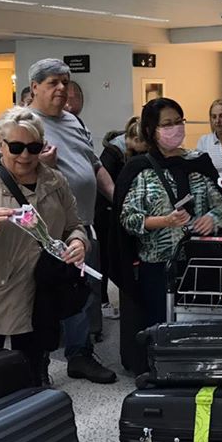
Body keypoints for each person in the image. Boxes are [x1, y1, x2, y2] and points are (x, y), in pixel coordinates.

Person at [0, 58, 116, 384]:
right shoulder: (17, 123)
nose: (61, 88)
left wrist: (116, 196)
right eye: (53, 82)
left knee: (80, 292)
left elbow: (93, 165)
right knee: (39, 301)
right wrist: (39, 164)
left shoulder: (74, 121)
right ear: (34, 87)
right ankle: (37, 362)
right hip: (37, 233)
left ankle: (79, 354)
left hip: (77, 226)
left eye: (65, 82)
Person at [0, 107, 87, 386]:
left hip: (41, 288)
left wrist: (77, 242)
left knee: (34, 360)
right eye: (16, 147)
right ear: (0, 145)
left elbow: (75, 224)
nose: (25, 155)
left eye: (33, 148)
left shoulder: (55, 181)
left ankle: (34, 394)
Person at [114, 98, 222, 372]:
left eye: (179, 122)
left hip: (200, 265)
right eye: (167, 124)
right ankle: (162, 372)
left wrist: (212, 219)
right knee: (161, 324)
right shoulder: (140, 170)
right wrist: (164, 221)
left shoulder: (197, 163)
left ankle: (197, 370)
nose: (175, 128)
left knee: (199, 322)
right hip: (158, 266)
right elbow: (128, 219)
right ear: (151, 130)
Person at [94, 116, 146, 319]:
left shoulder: (131, 150)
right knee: (106, 256)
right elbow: (106, 185)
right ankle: (103, 300)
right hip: (107, 210)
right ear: (134, 139)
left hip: (123, 207)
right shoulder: (112, 153)